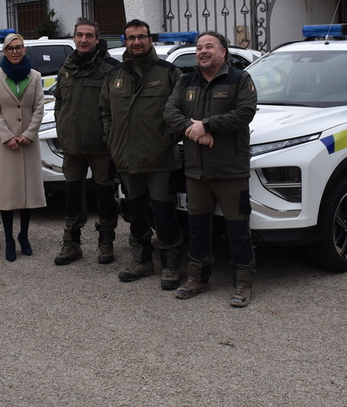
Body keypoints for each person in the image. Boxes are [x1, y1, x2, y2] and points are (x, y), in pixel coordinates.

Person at [164, 31, 258, 307]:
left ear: (223, 52)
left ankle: (243, 283)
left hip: (230, 169)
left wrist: (208, 125)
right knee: (198, 226)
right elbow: (170, 112)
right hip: (196, 170)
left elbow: (245, 112)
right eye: (199, 47)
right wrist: (194, 132)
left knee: (238, 227)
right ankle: (197, 278)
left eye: (209, 47)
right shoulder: (186, 81)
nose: (202, 51)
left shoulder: (240, 79)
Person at [100, 19, 184, 290]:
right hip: (126, 159)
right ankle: (142, 260)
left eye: (142, 37)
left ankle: (171, 264)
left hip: (160, 159)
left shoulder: (169, 73)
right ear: (124, 41)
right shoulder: (115, 76)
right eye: (131, 37)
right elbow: (105, 112)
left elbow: (182, 113)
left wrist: (168, 139)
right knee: (135, 212)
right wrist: (112, 140)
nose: (137, 42)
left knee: (164, 213)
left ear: (150, 40)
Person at [52, 18, 121, 266]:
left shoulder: (111, 68)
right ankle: (72, 243)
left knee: (103, 197)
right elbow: (59, 101)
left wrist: (110, 136)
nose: (83, 40)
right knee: (72, 197)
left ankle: (106, 241)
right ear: (74, 38)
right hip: (72, 147)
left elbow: (118, 108)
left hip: (101, 148)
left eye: (89, 36)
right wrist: (62, 127)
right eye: (79, 35)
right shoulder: (66, 67)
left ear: (96, 39)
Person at [0, 33, 47, 261]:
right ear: (4, 51)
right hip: (5, 144)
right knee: (7, 193)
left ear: (24, 50)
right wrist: (7, 136)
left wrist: (30, 133)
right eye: (10, 48)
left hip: (27, 143)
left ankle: (24, 235)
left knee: (28, 193)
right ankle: (9, 238)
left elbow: (39, 107)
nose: (14, 52)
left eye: (18, 48)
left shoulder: (35, 76)